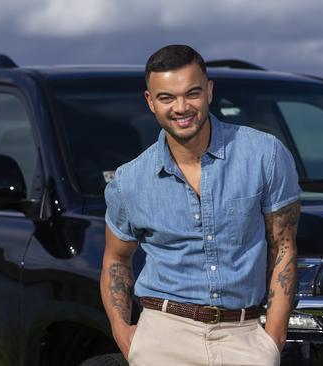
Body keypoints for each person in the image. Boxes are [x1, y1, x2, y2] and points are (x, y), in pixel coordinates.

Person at [100, 44, 300, 366]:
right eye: (167, 97)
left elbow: (284, 247)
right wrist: (126, 335)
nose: (181, 107)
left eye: (191, 93)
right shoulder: (128, 181)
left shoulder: (265, 156)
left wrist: (272, 340)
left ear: (209, 91)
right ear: (151, 102)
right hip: (162, 339)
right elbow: (116, 260)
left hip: (245, 336)